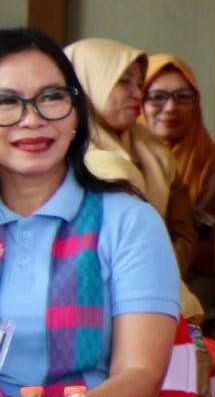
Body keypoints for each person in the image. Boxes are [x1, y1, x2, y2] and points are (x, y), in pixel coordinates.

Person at [0, 28, 180, 397]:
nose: (32, 119)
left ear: (78, 112)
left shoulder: (128, 221)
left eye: (51, 97)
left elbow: (139, 374)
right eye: (7, 102)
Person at [64, 39, 197, 278]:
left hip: (159, 285)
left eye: (139, 82)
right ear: (87, 83)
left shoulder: (156, 153)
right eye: (123, 81)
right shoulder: (61, 153)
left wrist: (154, 270)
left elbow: (182, 233)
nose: (138, 93)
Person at [143, 53, 215, 329]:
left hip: (203, 320)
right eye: (156, 96)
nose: (170, 107)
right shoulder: (123, 165)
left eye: (182, 96)